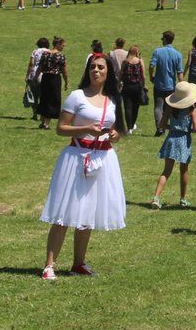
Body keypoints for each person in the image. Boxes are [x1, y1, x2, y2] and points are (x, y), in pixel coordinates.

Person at [39, 53, 125, 280]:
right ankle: (50, 265)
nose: (96, 71)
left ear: (108, 72)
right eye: (92, 67)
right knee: (64, 213)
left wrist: (114, 134)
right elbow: (60, 128)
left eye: (100, 67)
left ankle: (78, 263)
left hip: (101, 159)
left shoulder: (112, 100)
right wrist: (85, 128)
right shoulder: (76, 97)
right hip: (76, 157)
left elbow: (114, 128)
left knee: (88, 213)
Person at [150, 81, 196, 209]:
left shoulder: (170, 108)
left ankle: (156, 198)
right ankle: (183, 199)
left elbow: (161, 124)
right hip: (184, 139)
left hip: (171, 138)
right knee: (184, 170)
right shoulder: (191, 109)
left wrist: (172, 127)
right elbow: (195, 128)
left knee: (166, 171)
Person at [150, 30, 185, 133]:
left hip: (159, 85)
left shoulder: (157, 51)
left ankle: (159, 128)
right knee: (168, 108)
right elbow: (179, 72)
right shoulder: (178, 54)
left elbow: (152, 65)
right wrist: (182, 84)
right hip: (171, 86)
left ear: (165, 39)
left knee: (158, 107)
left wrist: (151, 76)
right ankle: (165, 127)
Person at [37, 37, 69, 131]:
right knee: (53, 99)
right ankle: (47, 123)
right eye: (63, 45)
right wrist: (66, 81)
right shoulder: (60, 56)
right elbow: (64, 71)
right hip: (54, 79)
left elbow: (40, 67)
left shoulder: (45, 54)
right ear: (58, 44)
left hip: (45, 77)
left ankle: (42, 122)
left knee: (44, 98)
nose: (63, 47)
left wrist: (35, 77)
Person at [119, 45, 147, 134]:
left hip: (127, 86)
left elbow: (120, 73)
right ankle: (133, 124)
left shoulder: (125, 61)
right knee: (136, 107)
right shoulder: (140, 61)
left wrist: (119, 82)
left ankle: (129, 127)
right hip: (137, 86)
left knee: (127, 107)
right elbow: (143, 75)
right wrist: (144, 85)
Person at [25, 37, 50, 122]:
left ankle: (35, 114)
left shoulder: (35, 51)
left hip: (34, 75)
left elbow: (31, 64)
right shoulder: (49, 52)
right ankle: (42, 116)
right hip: (45, 75)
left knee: (35, 95)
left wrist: (27, 75)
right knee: (43, 96)